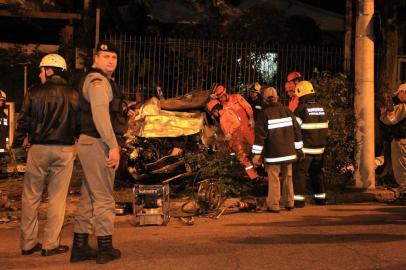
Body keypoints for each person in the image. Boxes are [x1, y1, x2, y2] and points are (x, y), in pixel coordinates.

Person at [11, 54, 79, 256]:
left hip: (38, 149)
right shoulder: (74, 94)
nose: (40, 74)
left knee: (30, 197)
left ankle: (28, 244)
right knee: (57, 198)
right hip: (65, 150)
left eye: (41, 70)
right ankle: (50, 245)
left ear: (50, 70)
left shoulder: (34, 92)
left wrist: (16, 145)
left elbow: (23, 121)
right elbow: (79, 123)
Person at [71, 41, 128, 264]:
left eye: (114, 57)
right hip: (97, 143)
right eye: (106, 57)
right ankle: (105, 248)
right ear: (96, 59)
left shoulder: (100, 81)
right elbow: (100, 116)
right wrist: (113, 146)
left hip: (89, 143)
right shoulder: (98, 81)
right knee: (104, 197)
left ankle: (80, 246)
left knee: (88, 196)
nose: (111, 61)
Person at [252, 87, 304, 212]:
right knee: (288, 177)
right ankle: (289, 202)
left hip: (273, 153)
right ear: (277, 98)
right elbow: (297, 130)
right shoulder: (287, 111)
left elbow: (260, 137)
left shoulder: (264, 115)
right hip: (289, 153)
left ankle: (274, 204)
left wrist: (256, 154)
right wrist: (299, 149)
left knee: (274, 178)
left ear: (264, 100)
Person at [292, 80, 329, 207]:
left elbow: (294, 129)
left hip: (306, 150)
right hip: (320, 149)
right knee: (317, 174)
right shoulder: (322, 108)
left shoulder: (300, 109)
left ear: (300, 93)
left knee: (299, 174)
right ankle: (321, 199)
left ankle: (299, 201)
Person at [207, 99, 259, 181]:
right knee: (241, 159)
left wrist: (230, 133)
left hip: (236, 139)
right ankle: (251, 174)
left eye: (213, 113)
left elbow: (237, 123)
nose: (214, 115)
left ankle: (254, 177)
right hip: (233, 141)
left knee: (243, 159)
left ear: (215, 110)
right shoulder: (222, 116)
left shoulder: (227, 113)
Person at [380, 83, 406, 198]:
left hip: (402, 141)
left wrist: (383, 114)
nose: (399, 95)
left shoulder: (403, 107)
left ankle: (404, 192)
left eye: (400, 92)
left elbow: (390, 120)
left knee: (401, 168)